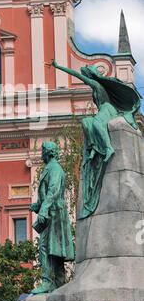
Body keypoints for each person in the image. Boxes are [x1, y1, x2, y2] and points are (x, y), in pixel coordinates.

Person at [51, 58, 141, 219]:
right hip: (103, 110)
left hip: (108, 110)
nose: (84, 76)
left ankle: (108, 148)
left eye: (87, 74)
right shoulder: (96, 87)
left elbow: (77, 76)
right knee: (86, 122)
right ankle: (93, 148)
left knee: (98, 124)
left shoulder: (97, 85)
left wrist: (59, 67)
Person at [30, 142, 74, 294]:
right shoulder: (51, 168)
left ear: (48, 152)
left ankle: (48, 282)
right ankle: (60, 283)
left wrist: (43, 209)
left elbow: (54, 190)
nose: (41, 154)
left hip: (54, 213)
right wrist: (38, 206)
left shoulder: (55, 168)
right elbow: (48, 193)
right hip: (53, 212)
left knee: (45, 247)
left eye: (42, 151)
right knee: (55, 248)